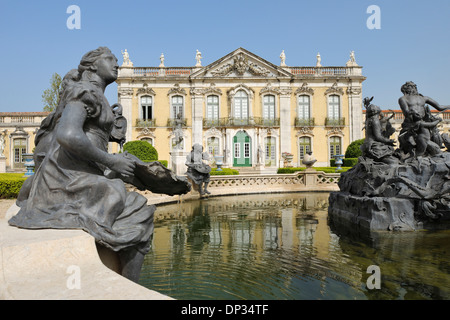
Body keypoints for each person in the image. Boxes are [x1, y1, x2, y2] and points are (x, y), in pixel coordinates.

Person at [9, 47, 162, 282]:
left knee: (131, 201)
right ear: (92, 66)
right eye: (109, 59)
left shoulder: (96, 96)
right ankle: (129, 288)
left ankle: (128, 286)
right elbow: (68, 135)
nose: (117, 63)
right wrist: (112, 160)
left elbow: (91, 138)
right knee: (129, 202)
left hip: (81, 170)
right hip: (64, 176)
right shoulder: (84, 92)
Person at [398, 81, 449, 157]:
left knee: (434, 136)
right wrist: (413, 114)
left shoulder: (424, 98)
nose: (415, 88)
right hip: (411, 124)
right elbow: (406, 112)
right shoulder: (403, 99)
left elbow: (439, 107)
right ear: (407, 88)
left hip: (423, 122)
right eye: (412, 87)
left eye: (415, 86)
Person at [361, 97, 398, 164]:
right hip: (375, 147)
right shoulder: (375, 121)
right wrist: (389, 141)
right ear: (376, 112)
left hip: (368, 144)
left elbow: (367, 114)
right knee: (394, 162)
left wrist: (367, 106)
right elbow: (378, 137)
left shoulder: (369, 120)